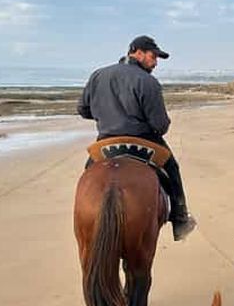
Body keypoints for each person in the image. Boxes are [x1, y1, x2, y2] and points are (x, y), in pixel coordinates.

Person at [77, 35, 196, 242]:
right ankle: (180, 218)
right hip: (144, 140)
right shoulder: (148, 81)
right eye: (153, 56)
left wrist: (106, 116)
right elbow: (160, 125)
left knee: (89, 173)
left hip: (106, 140)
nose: (155, 62)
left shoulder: (98, 75)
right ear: (137, 52)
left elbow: (83, 109)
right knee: (172, 169)